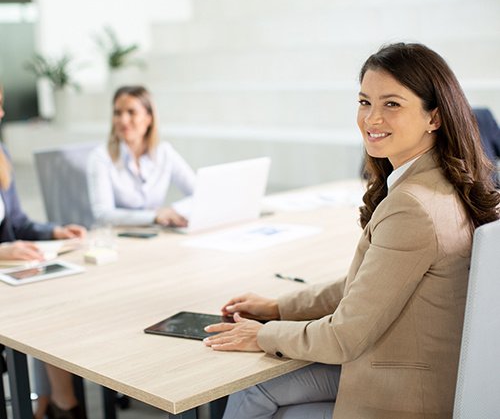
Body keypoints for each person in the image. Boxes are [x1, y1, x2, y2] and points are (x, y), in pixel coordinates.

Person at [203, 43, 500, 419]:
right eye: (364, 102)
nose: (371, 119)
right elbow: (367, 287)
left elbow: (345, 336)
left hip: (406, 393)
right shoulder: (446, 182)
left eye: (391, 104)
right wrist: (279, 308)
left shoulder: (413, 206)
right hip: (422, 368)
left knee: (254, 387)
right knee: (261, 386)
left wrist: (260, 334)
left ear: (434, 117)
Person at [0, 83, 87, 419]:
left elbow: (18, 221)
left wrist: (54, 230)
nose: (3, 114)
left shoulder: (1, 155)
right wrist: (3, 251)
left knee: (57, 304)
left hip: (10, 279)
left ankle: (62, 405)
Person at [87, 85, 196, 227]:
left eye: (131, 112)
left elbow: (201, 193)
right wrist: (153, 216)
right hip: (118, 237)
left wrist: (173, 210)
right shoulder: (101, 157)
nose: (123, 120)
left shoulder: (164, 153)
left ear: (149, 118)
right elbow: (103, 215)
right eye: (117, 113)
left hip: (155, 234)